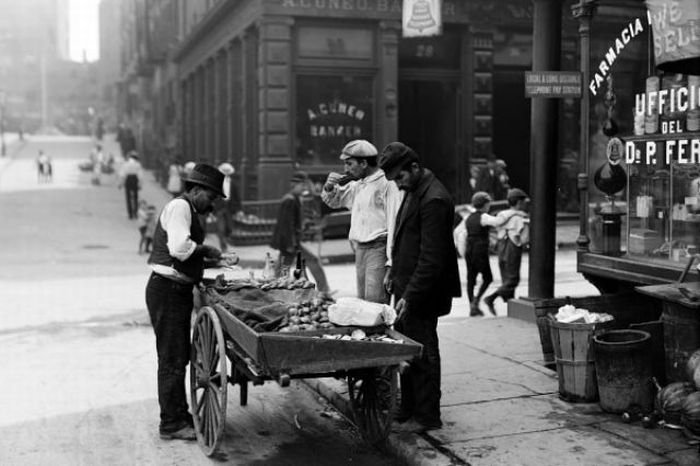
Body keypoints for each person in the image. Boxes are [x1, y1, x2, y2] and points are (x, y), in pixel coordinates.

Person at [378, 141, 461, 433]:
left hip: (423, 292)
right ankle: (409, 407)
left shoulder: (434, 199)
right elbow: (406, 240)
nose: (398, 184)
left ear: (414, 167)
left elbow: (431, 259)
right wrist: (393, 272)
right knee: (407, 350)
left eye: (400, 177)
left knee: (423, 352)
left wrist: (410, 295)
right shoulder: (415, 189)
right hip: (408, 287)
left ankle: (427, 416)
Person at [145, 163, 227, 441]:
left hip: (175, 290)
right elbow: (179, 249)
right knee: (172, 358)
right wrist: (208, 251)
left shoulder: (188, 209)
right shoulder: (180, 207)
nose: (212, 205)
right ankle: (171, 423)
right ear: (196, 190)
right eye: (211, 197)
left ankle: (178, 415)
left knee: (178, 355)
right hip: (167, 290)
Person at [321, 139, 403, 304]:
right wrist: (329, 187)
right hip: (360, 249)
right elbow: (334, 200)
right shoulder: (358, 185)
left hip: (378, 247)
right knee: (363, 304)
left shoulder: (386, 184)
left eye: (349, 163)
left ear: (364, 163)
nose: (346, 169)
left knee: (375, 303)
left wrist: (391, 260)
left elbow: (395, 222)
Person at [463, 191, 524, 317]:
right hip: (480, 250)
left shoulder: (468, 217)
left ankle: (472, 306)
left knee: (471, 278)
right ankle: (477, 300)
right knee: (488, 278)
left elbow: (460, 234)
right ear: (485, 204)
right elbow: (498, 222)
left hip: (469, 249)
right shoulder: (483, 217)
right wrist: (515, 213)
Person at [270, 171, 330, 292]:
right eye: (302, 185)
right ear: (294, 185)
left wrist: (303, 225)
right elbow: (286, 225)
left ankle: (275, 289)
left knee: (285, 267)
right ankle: (323, 290)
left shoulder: (295, 199)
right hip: (290, 241)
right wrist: (290, 243)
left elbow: (292, 222)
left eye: (305, 185)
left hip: (290, 241)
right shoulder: (290, 200)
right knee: (309, 261)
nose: (304, 188)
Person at [483, 188, 530, 315]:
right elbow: (524, 239)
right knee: (513, 279)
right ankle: (490, 298)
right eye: (523, 201)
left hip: (501, 248)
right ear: (519, 202)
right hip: (512, 248)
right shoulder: (519, 218)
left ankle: (511, 308)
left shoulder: (501, 215)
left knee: (506, 279)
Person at [212, 162, 242, 252]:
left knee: (229, 228)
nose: (225, 173)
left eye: (227, 171)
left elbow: (237, 197)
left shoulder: (233, 183)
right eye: (224, 171)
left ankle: (226, 239)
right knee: (220, 228)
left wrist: (239, 209)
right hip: (220, 207)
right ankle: (223, 246)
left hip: (229, 207)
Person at [119, 151, 144, 219]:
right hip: (135, 179)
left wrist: (120, 183)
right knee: (135, 197)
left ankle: (130, 214)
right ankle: (135, 213)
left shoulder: (125, 164)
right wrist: (140, 184)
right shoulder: (138, 164)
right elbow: (140, 175)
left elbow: (122, 174)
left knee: (128, 197)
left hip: (128, 180)